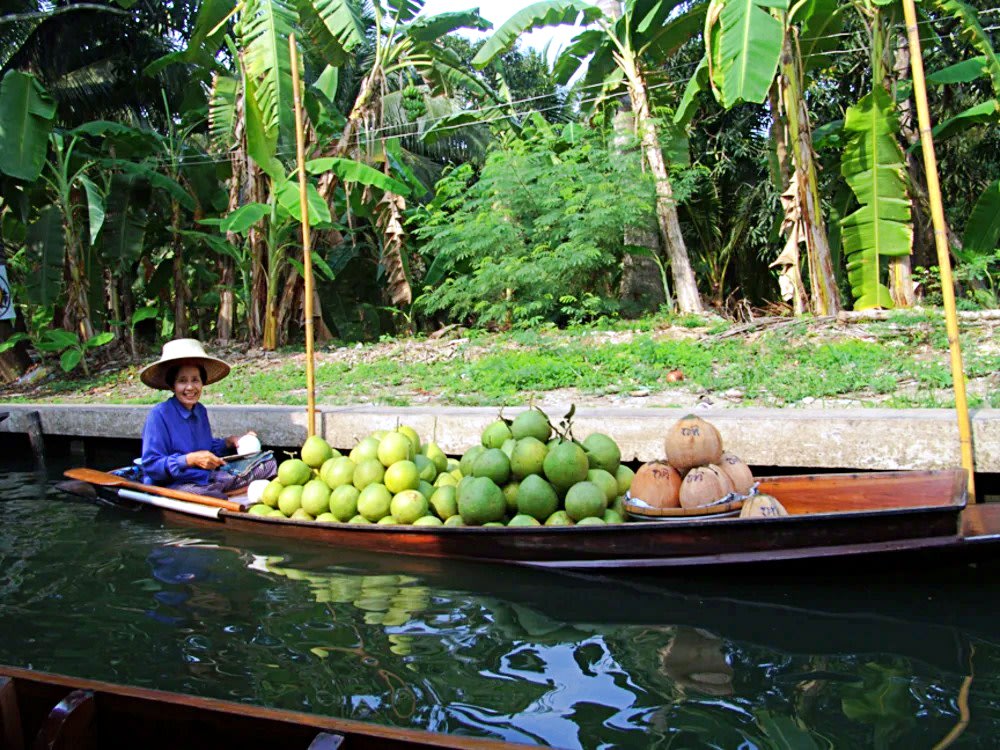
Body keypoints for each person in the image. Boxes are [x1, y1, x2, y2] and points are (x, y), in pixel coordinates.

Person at [139, 339, 276, 498]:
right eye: (182, 381)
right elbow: (152, 465)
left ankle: (224, 490)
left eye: (195, 380)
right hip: (176, 484)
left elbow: (206, 447)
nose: (190, 387)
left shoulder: (200, 410)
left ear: (202, 383)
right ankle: (226, 492)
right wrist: (189, 460)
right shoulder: (159, 415)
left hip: (206, 477)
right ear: (172, 385)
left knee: (268, 464)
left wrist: (229, 442)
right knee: (202, 493)